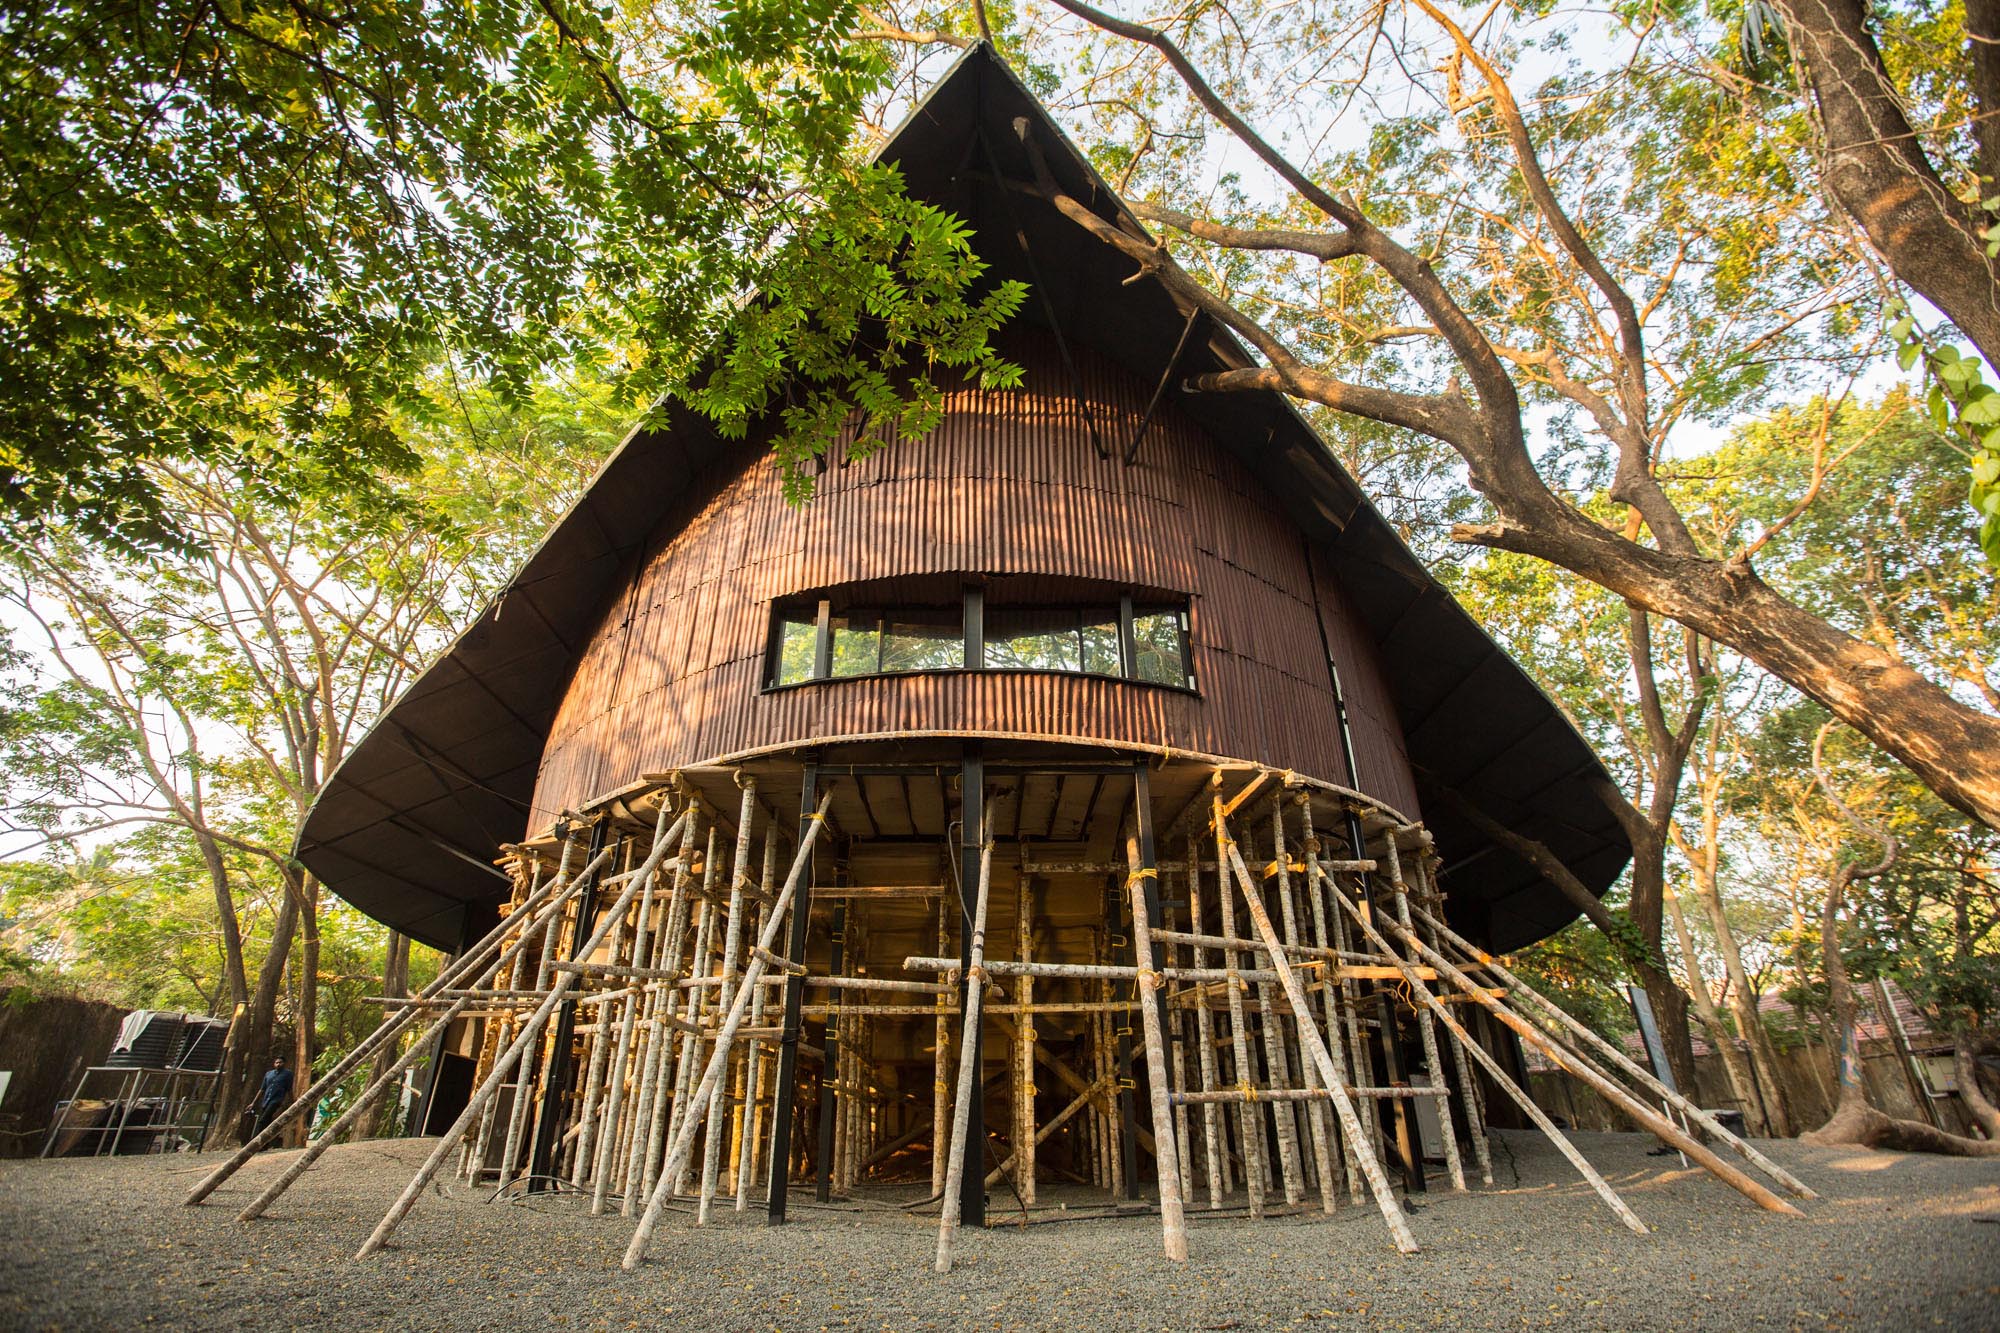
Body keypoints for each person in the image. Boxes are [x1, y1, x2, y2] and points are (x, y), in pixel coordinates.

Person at [251, 1055, 294, 1144]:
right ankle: (267, 1143)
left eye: (280, 1062)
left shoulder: (287, 1074)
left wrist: (292, 1101)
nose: (278, 1064)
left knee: (262, 1120)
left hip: (277, 1100)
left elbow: (289, 1089)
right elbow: (262, 1089)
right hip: (266, 1100)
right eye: (276, 1062)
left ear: (284, 1064)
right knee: (267, 1121)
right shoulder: (268, 1074)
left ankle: (257, 1142)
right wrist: (253, 1103)